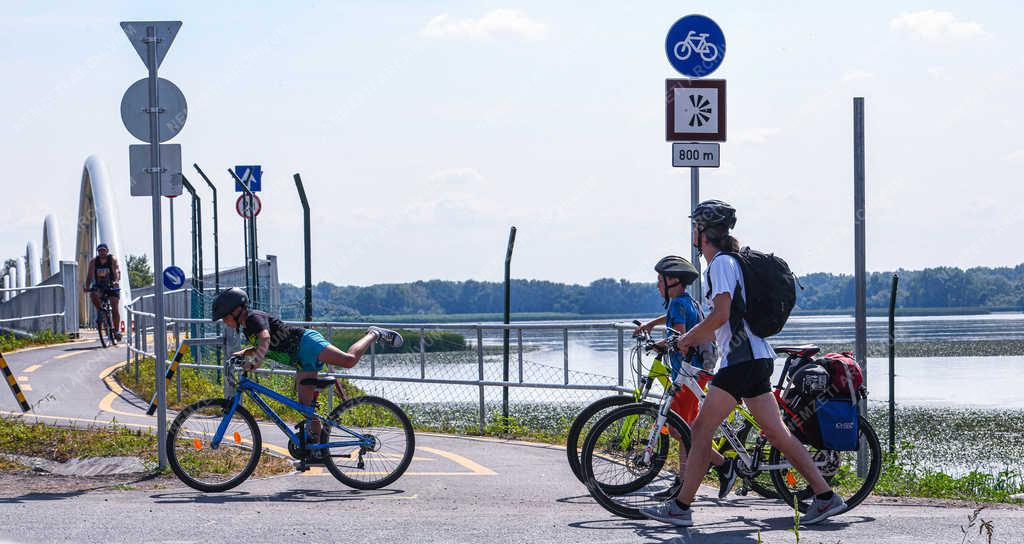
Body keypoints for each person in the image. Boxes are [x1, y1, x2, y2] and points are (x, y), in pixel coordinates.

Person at [641, 200, 845, 527]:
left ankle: (680, 507)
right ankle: (825, 496)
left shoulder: (721, 265)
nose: (693, 232)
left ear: (703, 232)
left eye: (695, 227)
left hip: (742, 360)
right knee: (777, 433)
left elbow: (721, 315)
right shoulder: (729, 262)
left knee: (700, 429)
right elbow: (723, 316)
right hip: (757, 356)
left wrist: (689, 338)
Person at [210, 287, 403, 463]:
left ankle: (374, 333)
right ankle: (317, 450)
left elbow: (266, 338)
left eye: (225, 316)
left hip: (307, 345)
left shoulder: (252, 317)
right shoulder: (246, 326)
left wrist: (257, 360)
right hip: (301, 360)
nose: (224, 321)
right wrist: (246, 352)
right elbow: (266, 343)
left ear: (236, 310)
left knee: (349, 360)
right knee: (305, 407)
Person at [635, 255, 736, 501]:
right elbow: (677, 320)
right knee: (684, 429)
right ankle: (681, 483)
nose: (658, 285)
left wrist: (656, 345)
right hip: (693, 372)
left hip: (688, 372)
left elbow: (678, 336)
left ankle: (723, 465)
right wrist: (652, 323)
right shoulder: (686, 301)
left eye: (660, 280)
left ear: (673, 281)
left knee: (682, 431)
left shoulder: (677, 304)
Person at [84, 243, 121, 340]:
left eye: (103, 250)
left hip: (111, 285)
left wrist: (116, 281)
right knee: (93, 294)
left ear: (107, 251)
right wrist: (87, 287)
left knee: (114, 308)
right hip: (100, 286)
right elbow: (89, 276)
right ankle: (101, 311)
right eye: (100, 251)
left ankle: (116, 331)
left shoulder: (112, 259)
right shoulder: (94, 262)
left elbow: (116, 271)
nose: (102, 252)